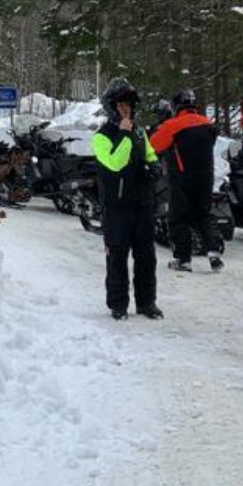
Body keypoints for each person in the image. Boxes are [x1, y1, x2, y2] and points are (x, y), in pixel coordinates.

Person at [93, 78, 164, 321]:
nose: (126, 109)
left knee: (146, 257)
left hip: (143, 203)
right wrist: (124, 135)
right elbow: (114, 163)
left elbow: (151, 154)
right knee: (117, 257)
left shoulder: (140, 132)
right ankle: (118, 305)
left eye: (129, 105)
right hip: (117, 206)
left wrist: (154, 167)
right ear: (112, 107)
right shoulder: (101, 137)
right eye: (121, 105)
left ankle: (147, 303)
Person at [150, 88, 224, 273]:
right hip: (206, 175)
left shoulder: (173, 125)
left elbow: (154, 146)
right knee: (203, 214)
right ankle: (213, 251)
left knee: (179, 216)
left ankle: (183, 259)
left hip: (182, 176)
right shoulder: (208, 124)